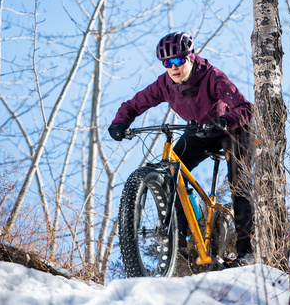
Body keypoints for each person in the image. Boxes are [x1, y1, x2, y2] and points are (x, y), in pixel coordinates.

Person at [108, 31, 254, 266]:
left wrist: (226, 120)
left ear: (191, 57)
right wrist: (120, 122)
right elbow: (133, 104)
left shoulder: (212, 76)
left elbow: (246, 107)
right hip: (200, 132)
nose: (173, 67)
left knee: (239, 183)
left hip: (232, 130)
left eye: (178, 61)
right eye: (167, 63)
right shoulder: (164, 84)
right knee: (170, 172)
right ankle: (184, 235)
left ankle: (246, 253)